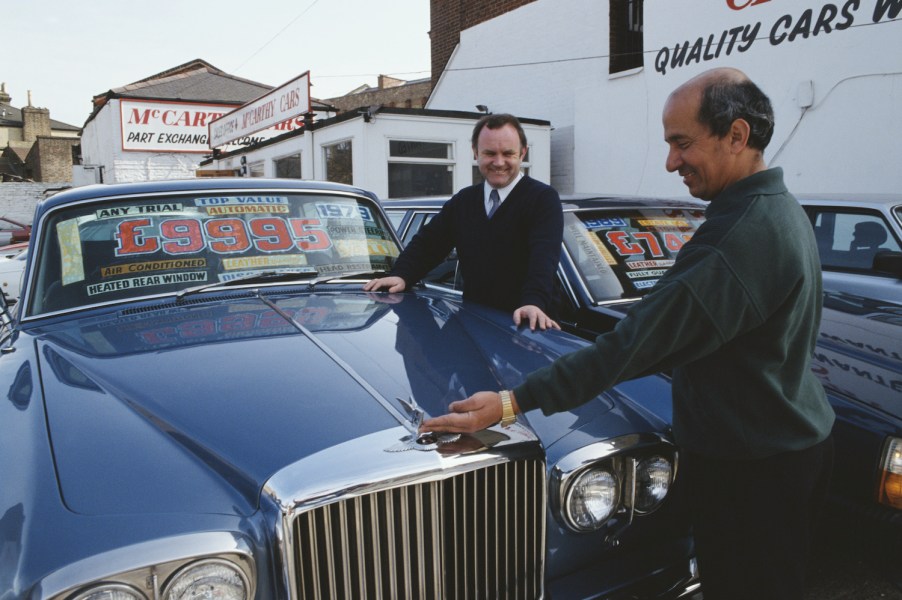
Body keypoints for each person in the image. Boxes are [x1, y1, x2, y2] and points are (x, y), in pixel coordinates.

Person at [421, 68, 835, 600]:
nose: (670, 162)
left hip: (753, 470)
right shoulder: (777, 207)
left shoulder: (737, 239)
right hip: (787, 446)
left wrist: (511, 401)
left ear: (737, 135)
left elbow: (632, 343)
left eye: (682, 143)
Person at [364, 113, 563, 330]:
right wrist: (402, 275)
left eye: (508, 153)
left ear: (522, 153)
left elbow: (544, 258)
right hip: (475, 324)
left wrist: (533, 302)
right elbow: (429, 244)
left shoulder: (543, 199)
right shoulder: (464, 201)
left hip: (525, 327)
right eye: (489, 153)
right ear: (476, 153)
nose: (499, 162)